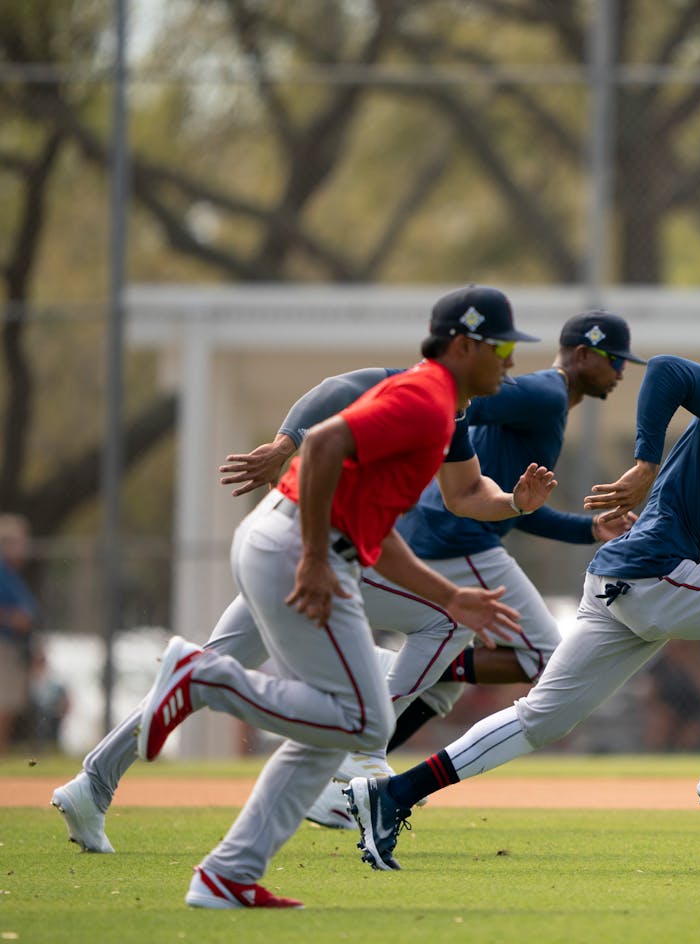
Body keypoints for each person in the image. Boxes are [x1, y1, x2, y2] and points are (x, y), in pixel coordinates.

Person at [345, 305, 700, 872]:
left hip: (622, 580)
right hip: (655, 572)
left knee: (541, 721)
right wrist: (644, 463)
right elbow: (666, 371)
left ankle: (391, 797)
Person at [51, 287, 559, 862]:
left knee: (217, 660)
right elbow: (333, 399)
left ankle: (93, 783)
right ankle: (357, 755)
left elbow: (467, 493)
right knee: (444, 621)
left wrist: (516, 503)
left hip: (284, 537)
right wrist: (286, 444)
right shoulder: (417, 387)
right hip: (309, 543)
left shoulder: (453, 413)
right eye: (500, 346)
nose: (511, 359)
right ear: (464, 345)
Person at [299, 310, 645, 826]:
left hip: (456, 532)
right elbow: (462, 403)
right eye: (614, 360)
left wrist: (587, 530)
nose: (620, 372)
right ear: (582, 354)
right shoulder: (547, 393)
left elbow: (511, 502)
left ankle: (358, 774)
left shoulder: (549, 402)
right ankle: (380, 704)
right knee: (548, 657)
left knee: (443, 688)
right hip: (460, 540)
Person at [0, 514, 39, 755]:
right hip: (3, 645)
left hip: (15, 647)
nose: (24, 548)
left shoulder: (14, 576)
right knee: (3, 704)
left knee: (10, 705)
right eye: (19, 543)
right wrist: (12, 618)